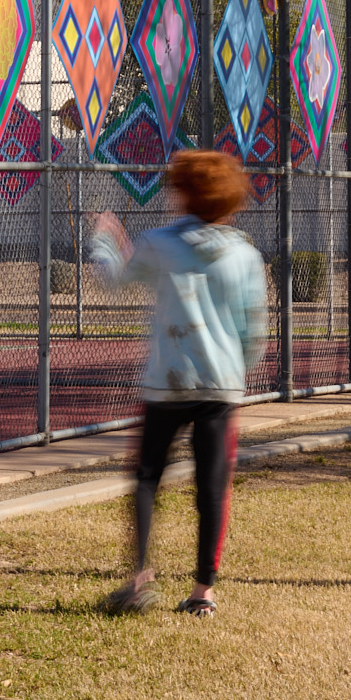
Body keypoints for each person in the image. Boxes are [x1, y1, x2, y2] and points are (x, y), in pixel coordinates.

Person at [88, 150, 267, 619]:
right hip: (220, 387)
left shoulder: (158, 243)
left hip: (166, 382)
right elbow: (254, 330)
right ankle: (202, 592)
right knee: (211, 487)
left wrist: (105, 241)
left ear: (183, 193)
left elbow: (115, 280)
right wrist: (237, 373)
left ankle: (139, 579)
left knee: (147, 478)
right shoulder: (246, 254)